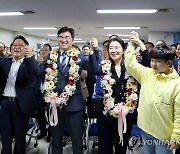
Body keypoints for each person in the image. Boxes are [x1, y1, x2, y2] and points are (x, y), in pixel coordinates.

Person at [34, 26, 89, 154]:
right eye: (61, 37)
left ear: (72, 40)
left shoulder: (80, 56)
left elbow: (95, 70)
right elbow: (38, 71)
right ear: (57, 39)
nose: (63, 40)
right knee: (56, 141)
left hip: (74, 105)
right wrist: (31, 58)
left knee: (77, 141)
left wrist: (95, 52)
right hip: (54, 105)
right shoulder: (51, 55)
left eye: (67, 37)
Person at [125, 31, 180, 154]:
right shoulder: (147, 74)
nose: (154, 64)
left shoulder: (177, 83)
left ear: (169, 63)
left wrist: (176, 136)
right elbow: (130, 65)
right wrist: (132, 44)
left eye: (158, 61)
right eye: (152, 60)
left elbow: (179, 113)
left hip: (163, 134)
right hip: (145, 129)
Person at [89, 37, 138, 154]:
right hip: (107, 112)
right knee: (105, 146)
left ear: (123, 50)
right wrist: (93, 51)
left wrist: (139, 44)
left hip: (126, 112)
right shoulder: (104, 65)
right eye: (111, 48)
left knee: (121, 145)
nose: (114, 51)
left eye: (117, 47)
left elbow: (146, 63)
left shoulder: (131, 66)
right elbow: (94, 69)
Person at [0, 35, 37, 154]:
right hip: (5, 103)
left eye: (20, 45)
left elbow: (32, 76)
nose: (17, 47)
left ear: (26, 49)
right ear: (10, 48)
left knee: (20, 138)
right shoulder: (4, 62)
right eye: (14, 45)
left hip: (20, 105)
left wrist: (31, 58)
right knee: (5, 137)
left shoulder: (29, 63)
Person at [35, 43, 52, 141]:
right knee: (39, 113)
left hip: (49, 92)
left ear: (50, 52)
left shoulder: (51, 62)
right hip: (38, 91)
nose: (43, 52)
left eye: (46, 50)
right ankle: (42, 130)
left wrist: (41, 64)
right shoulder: (36, 62)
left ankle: (50, 133)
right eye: (42, 50)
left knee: (50, 113)